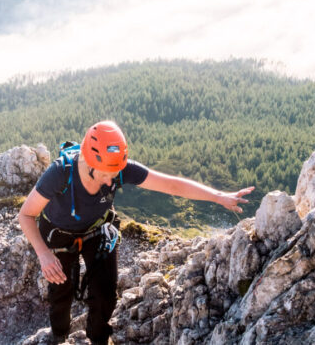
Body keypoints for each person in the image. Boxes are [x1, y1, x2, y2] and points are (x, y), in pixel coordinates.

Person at [18, 121, 254, 345]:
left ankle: (98, 339)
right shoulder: (61, 173)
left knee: (106, 294)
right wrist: (44, 254)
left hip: (98, 229)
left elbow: (171, 185)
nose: (112, 180)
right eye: (105, 174)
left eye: (115, 173)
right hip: (58, 234)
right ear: (89, 163)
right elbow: (26, 215)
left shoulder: (119, 169)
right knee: (61, 290)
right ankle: (59, 336)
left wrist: (218, 196)